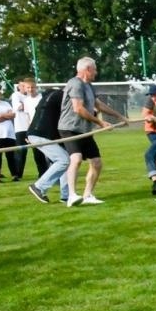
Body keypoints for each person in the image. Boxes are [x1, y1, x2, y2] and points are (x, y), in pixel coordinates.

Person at [60, 58, 123, 207]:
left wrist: (119, 116)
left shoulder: (89, 86)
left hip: (84, 129)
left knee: (96, 162)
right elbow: (78, 108)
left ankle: (87, 195)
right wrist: (100, 122)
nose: (96, 72)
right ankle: (71, 195)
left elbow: (98, 104)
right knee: (76, 159)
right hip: (70, 128)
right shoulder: (75, 84)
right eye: (95, 69)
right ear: (87, 69)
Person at [25, 86, 72, 204]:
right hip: (41, 136)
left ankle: (66, 195)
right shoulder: (60, 97)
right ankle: (39, 187)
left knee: (67, 159)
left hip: (39, 135)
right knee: (64, 160)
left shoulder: (46, 100)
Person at [9, 77, 41, 177]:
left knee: (38, 151)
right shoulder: (16, 95)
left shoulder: (37, 97)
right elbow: (19, 107)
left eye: (30, 86)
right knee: (21, 151)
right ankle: (18, 174)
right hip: (21, 127)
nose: (26, 88)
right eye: (24, 86)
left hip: (33, 127)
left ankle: (42, 172)